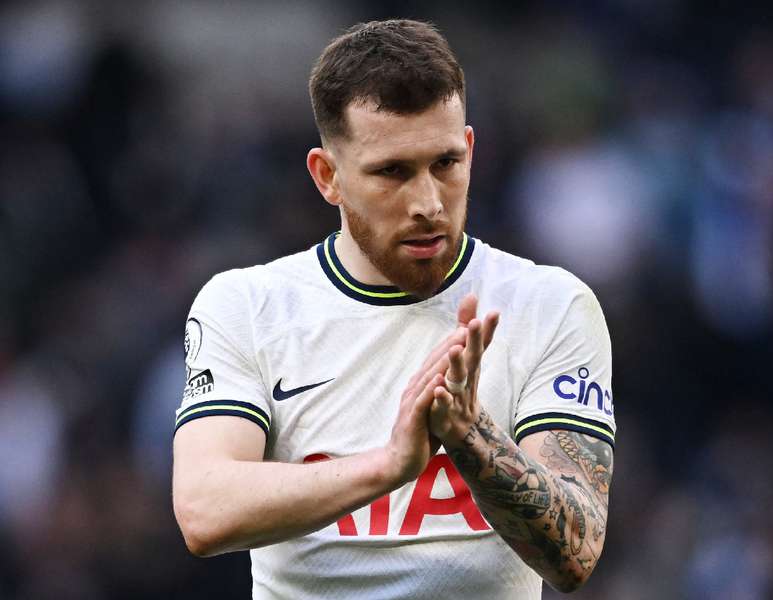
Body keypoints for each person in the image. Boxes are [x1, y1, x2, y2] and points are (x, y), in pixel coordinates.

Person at [172, 19, 615, 599]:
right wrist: (388, 466)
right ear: (327, 176)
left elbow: (576, 554)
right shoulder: (249, 307)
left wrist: (470, 436)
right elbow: (203, 511)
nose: (429, 203)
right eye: (393, 172)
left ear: (471, 150)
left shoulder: (550, 305)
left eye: (446, 164)